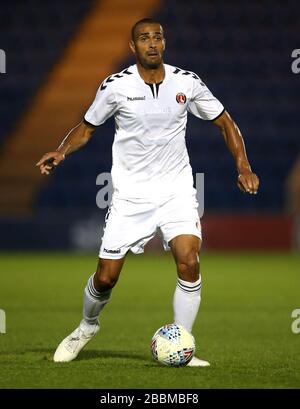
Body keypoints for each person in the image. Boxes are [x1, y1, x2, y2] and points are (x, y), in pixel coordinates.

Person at [36, 18, 259, 366]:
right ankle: (86, 326)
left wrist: (243, 166)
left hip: (176, 190)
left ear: (164, 43)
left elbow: (225, 122)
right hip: (130, 195)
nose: (152, 43)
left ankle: (182, 344)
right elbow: (87, 127)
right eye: (144, 38)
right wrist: (61, 151)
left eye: (157, 37)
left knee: (189, 261)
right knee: (106, 277)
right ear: (133, 47)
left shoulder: (187, 82)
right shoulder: (116, 86)